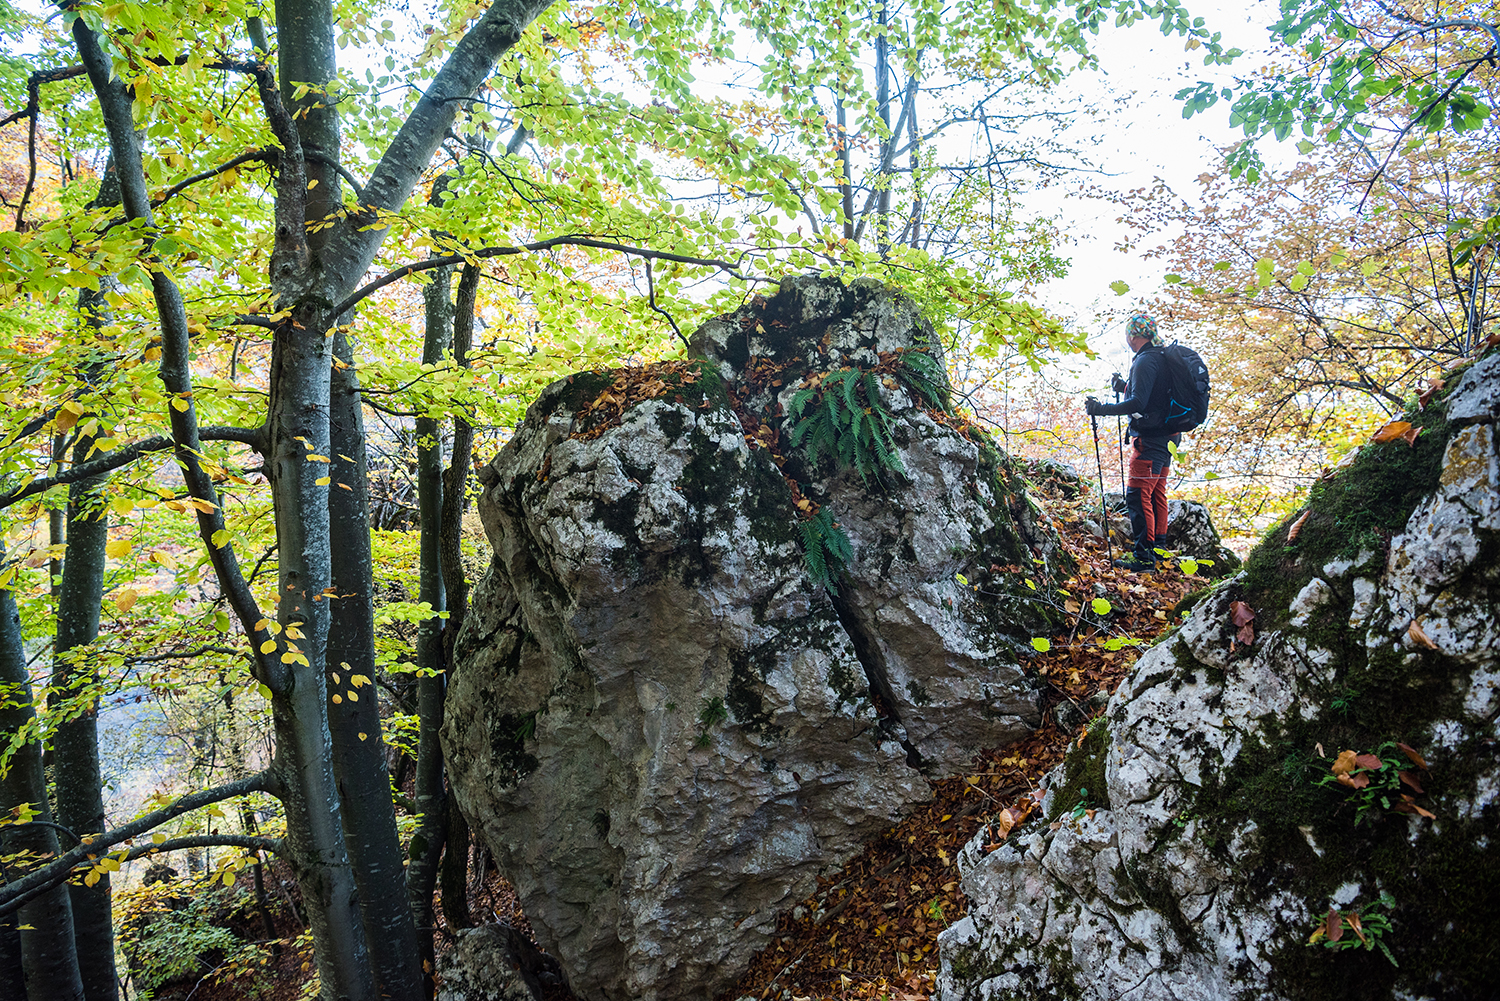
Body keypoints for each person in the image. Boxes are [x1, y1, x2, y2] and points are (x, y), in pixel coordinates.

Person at [1084, 314, 1180, 572]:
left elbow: (1139, 403)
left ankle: (1143, 557)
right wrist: (1124, 386)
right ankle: (1157, 550)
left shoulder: (1145, 361)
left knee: (1138, 495)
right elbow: (1153, 396)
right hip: (1169, 437)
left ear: (1132, 335)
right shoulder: (1161, 357)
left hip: (1150, 440)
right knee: (1156, 492)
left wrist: (1100, 409)